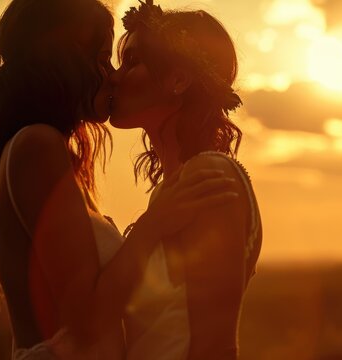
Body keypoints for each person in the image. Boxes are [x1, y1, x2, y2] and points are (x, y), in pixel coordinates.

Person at [0, 0, 238, 358]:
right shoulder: (37, 145)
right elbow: (87, 321)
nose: (112, 75)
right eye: (103, 57)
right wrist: (155, 225)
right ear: (66, 57)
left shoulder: (52, 152)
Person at [109, 1, 263, 358]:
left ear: (178, 79)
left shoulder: (211, 177)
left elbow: (216, 346)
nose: (115, 76)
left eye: (132, 62)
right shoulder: (173, 189)